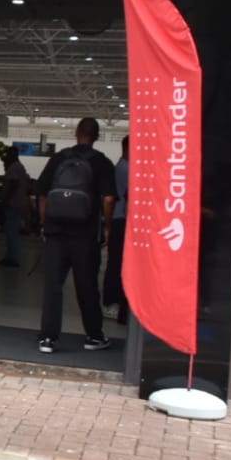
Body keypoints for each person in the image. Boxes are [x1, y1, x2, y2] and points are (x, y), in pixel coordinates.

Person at [35, 117, 118, 354]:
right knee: (87, 286)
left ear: (76, 132)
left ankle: (48, 339)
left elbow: (41, 194)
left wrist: (44, 223)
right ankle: (94, 336)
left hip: (55, 233)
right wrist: (107, 226)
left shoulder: (59, 158)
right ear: (97, 136)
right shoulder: (102, 162)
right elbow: (109, 198)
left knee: (53, 286)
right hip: (85, 236)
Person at [102, 135, 130, 323]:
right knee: (117, 264)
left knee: (115, 263)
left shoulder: (118, 167)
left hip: (118, 220)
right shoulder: (127, 169)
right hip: (122, 220)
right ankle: (112, 303)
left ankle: (112, 303)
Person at [0, 146, 29, 268]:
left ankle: (13, 258)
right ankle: (9, 257)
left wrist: (6, 197)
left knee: (11, 232)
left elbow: (13, 183)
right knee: (11, 231)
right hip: (18, 202)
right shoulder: (20, 167)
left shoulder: (13, 167)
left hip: (13, 203)